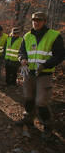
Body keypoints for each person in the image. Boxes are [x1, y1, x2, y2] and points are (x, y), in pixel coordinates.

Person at [16, 12, 65, 141]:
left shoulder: (54, 36)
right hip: (29, 73)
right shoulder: (27, 36)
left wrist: (45, 64)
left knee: (41, 102)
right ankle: (28, 118)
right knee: (28, 97)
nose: (35, 22)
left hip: (44, 73)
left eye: (39, 20)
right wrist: (22, 59)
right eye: (34, 20)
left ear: (44, 21)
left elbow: (60, 55)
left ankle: (48, 126)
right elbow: (21, 51)